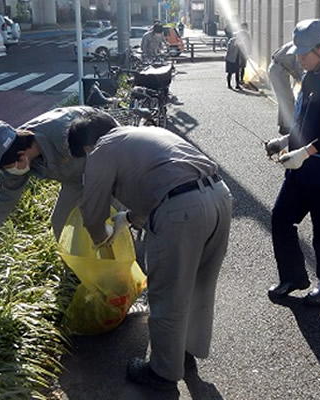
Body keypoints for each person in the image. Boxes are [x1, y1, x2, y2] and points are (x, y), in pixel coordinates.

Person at [67, 122, 232, 391]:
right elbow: (163, 184)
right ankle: (186, 350)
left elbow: (92, 210)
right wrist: (128, 218)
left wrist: (101, 240)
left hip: (183, 213)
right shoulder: (141, 135)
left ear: (87, 146)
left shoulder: (101, 150)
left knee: (168, 294)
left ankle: (163, 373)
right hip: (220, 198)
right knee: (201, 284)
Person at [265, 19, 320, 307]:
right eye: (299, 52)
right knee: (281, 219)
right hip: (301, 170)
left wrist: (303, 152)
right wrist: (283, 143)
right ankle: (293, 277)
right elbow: (302, 120)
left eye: (305, 53)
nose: (300, 58)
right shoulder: (309, 78)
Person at [0, 107, 118, 269]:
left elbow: (110, 150)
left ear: (22, 154)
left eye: (8, 166)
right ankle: (78, 270)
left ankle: (127, 263)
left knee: (115, 216)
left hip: (110, 163)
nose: (9, 171)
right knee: (61, 222)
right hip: (75, 177)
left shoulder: (63, 133)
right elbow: (4, 198)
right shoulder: (14, 157)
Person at [268, 41, 303, 135]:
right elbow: (298, 67)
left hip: (278, 68)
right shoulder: (300, 46)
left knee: (283, 99)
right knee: (287, 99)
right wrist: (303, 81)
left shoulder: (296, 42)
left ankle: (283, 125)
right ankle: (288, 127)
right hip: (279, 70)